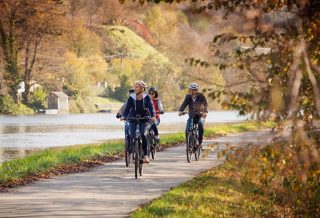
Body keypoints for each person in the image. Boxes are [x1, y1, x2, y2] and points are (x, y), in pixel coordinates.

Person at [121, 81, 156, 163]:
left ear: (142, 89)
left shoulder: (147, 97)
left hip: (144, 119)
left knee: (143, 135)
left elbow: (151, 108)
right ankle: (135, 153)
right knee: (133, 135)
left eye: (136, 87)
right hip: (133, 119)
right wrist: (124, 116)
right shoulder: (131, 98)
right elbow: (127, 108)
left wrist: (153, 116)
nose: (135, 88)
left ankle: (145, 156)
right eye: (135, 87)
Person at [178, 83, 208, 147]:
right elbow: (184, 104)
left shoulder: (201, 96)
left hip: (200, 115)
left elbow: (205, 104)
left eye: (194, 90)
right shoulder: (188, 97)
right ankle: (189, 143)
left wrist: (205, 112)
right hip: (191, 116)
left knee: (200, 124)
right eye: (191, 90)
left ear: (196, 90)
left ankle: (200, 142)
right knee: (187, 130)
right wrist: (180, 111)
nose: (192, 91)